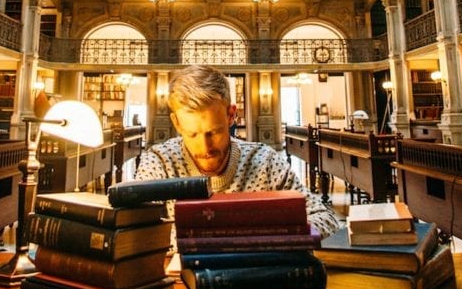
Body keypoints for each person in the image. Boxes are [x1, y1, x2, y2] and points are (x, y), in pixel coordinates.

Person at [134, 64, 342, 238]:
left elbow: (325, 219)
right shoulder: (159, 162)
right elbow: (134, 232)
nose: (205, 148)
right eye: (193, 134)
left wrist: (275, 238)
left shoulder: (265, 161)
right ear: (177, 123)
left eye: (214, 132)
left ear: (231, 115)